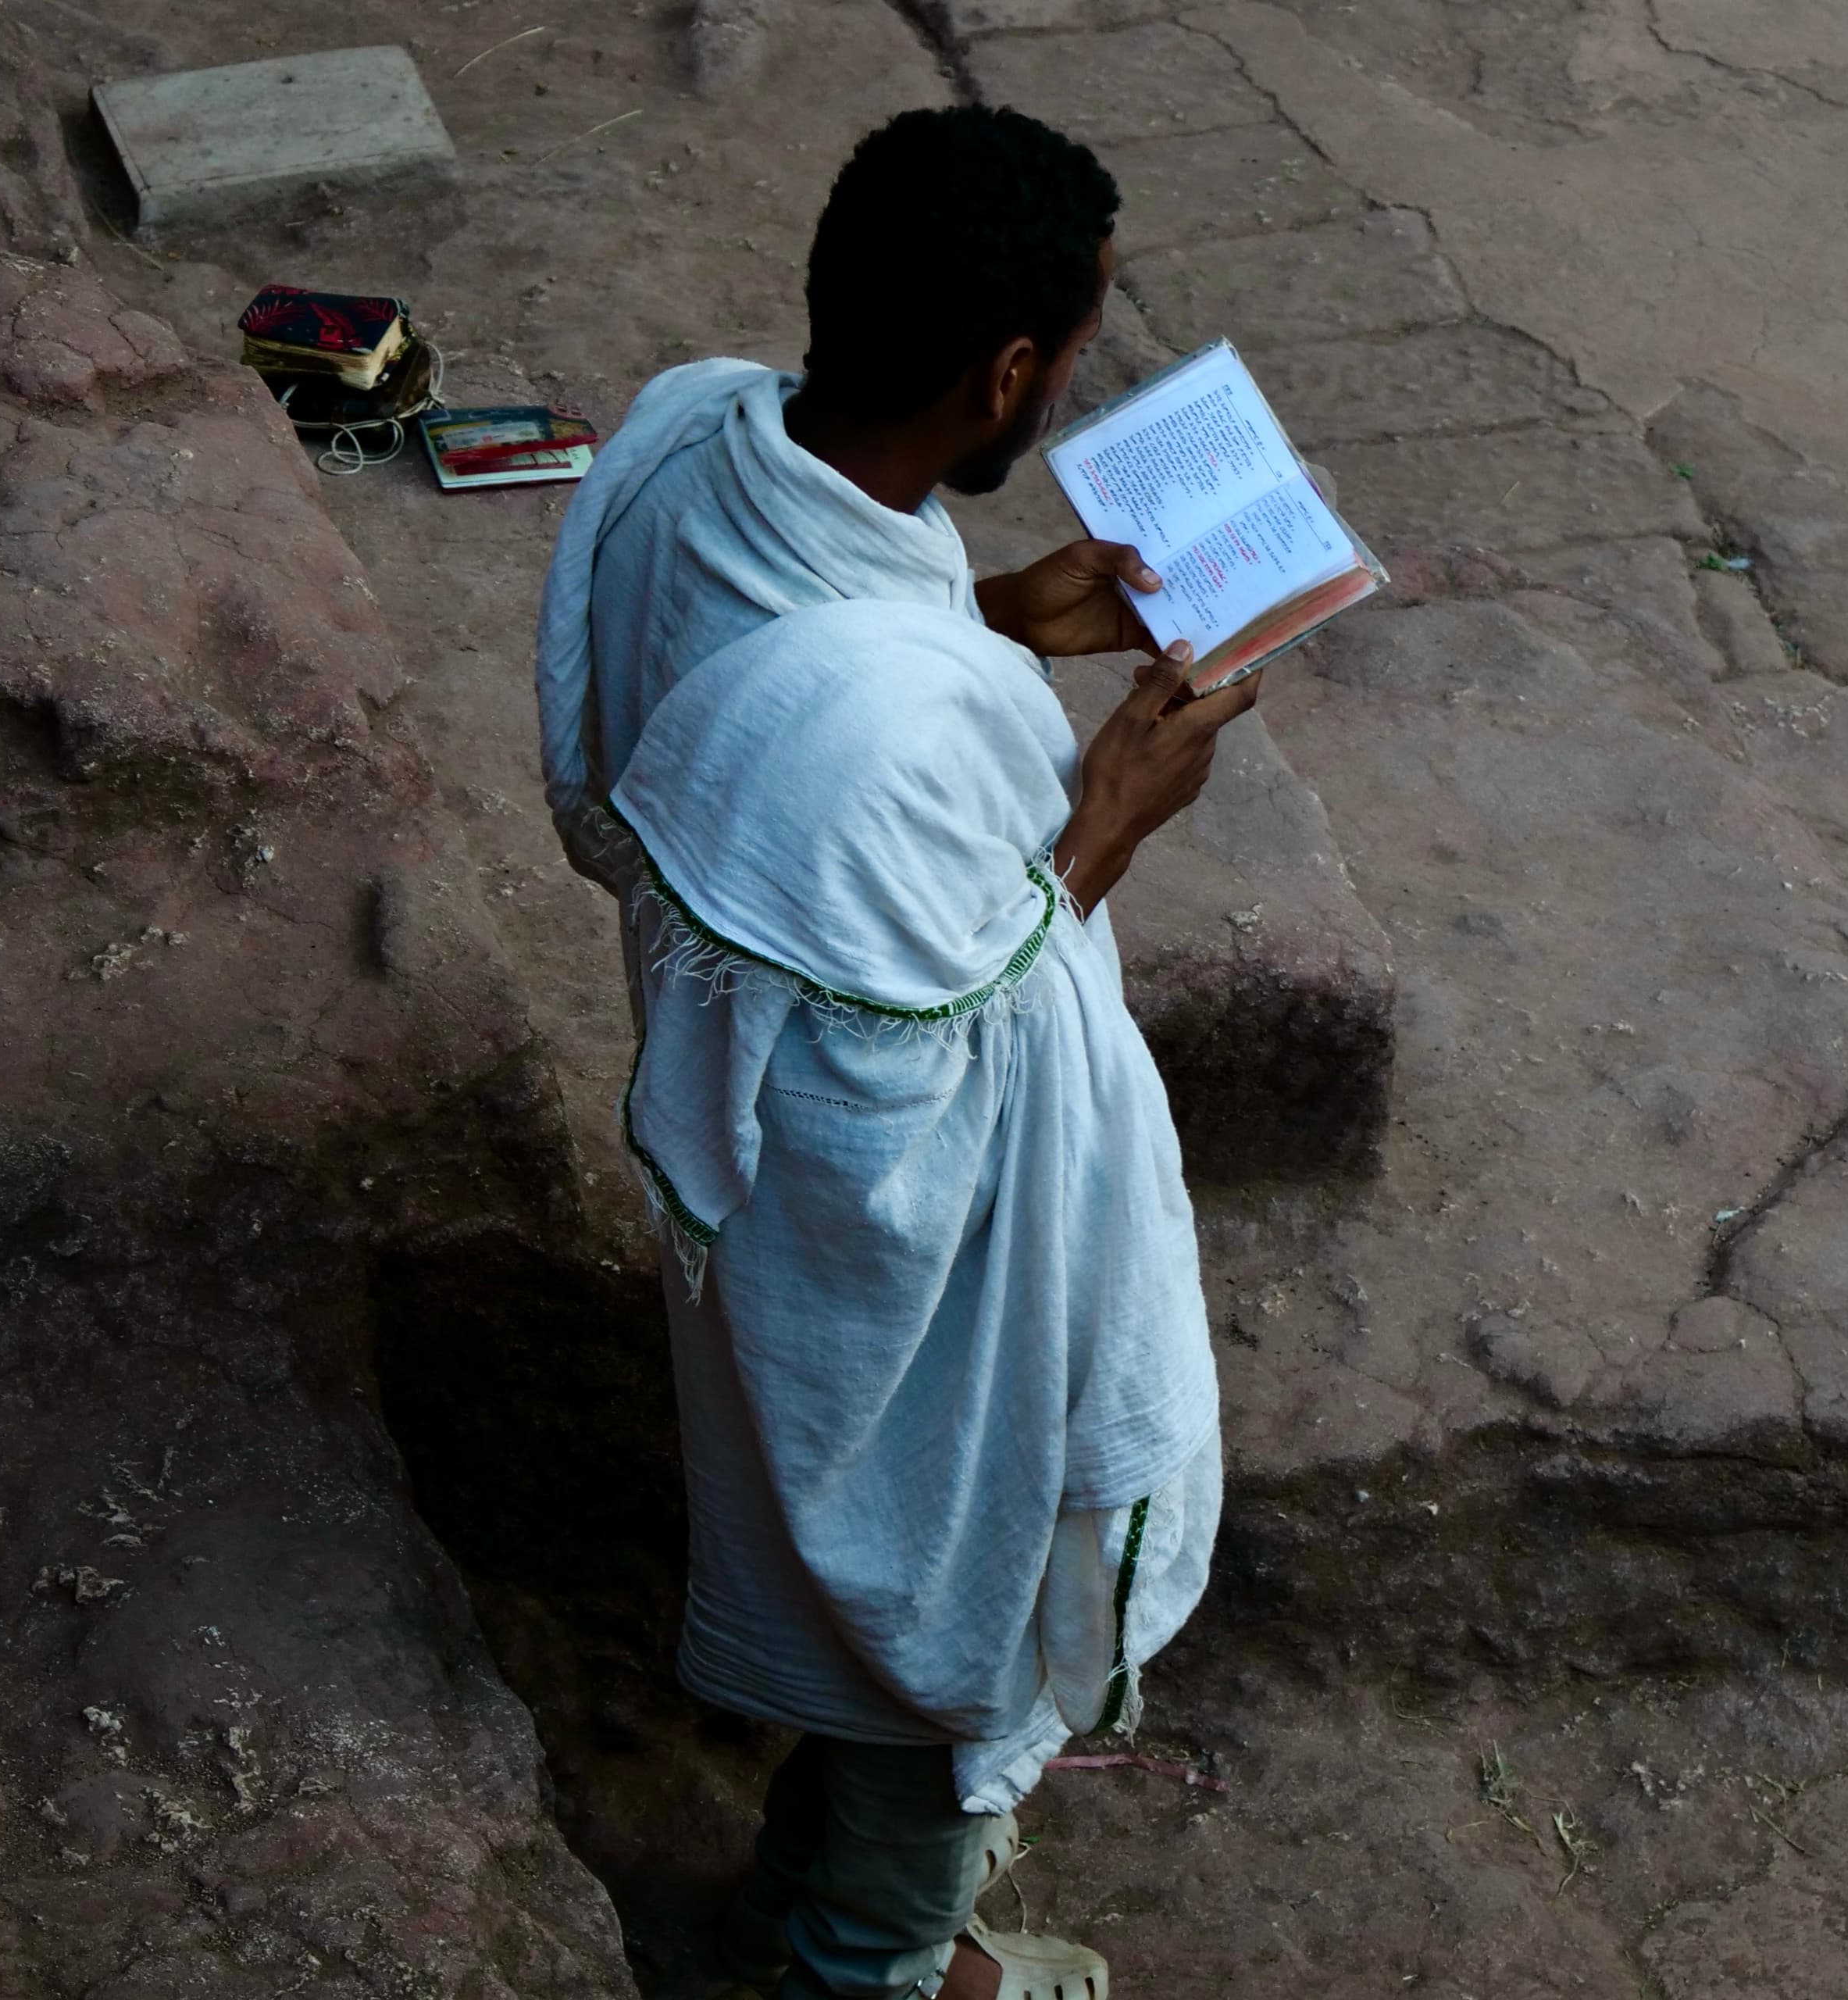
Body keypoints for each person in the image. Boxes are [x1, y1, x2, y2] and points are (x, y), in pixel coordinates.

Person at [534, 105, 1250, 2000]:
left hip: (751, 1203)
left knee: (824, 1572)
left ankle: (802, 1905)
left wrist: (998, 617)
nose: (1074, 380)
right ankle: (867, 1969)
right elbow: (918, 1099)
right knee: (941, 1618)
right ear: (1009, 372)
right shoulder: (901, 731)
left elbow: (747, 744)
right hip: (871, 1266)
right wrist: (1105, 822)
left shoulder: (700, 434)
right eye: (1079, 350)